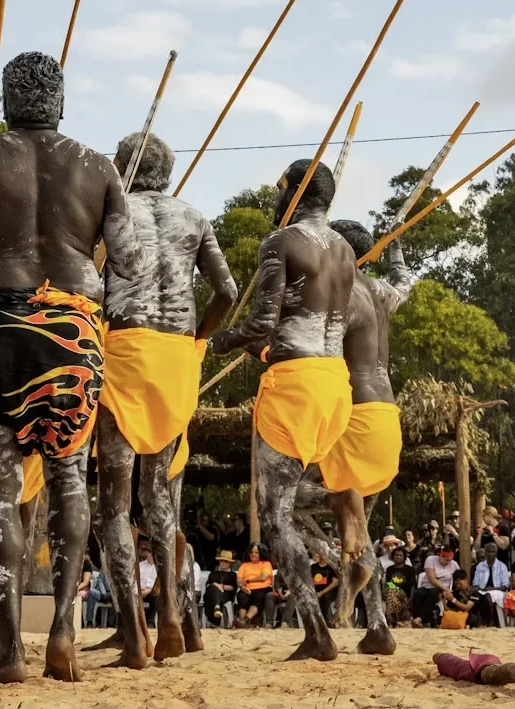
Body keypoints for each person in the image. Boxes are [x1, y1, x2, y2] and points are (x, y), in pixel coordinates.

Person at [0, 52, 137, 682]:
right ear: (61, 102)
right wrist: (93, 307)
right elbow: (130, 263)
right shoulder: (98, 166)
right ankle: (63, 632)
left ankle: (10, 646)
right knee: (70, 478)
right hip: (74, 328)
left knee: (1, 489)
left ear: (7, 103)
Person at [94, 130, 236, 668]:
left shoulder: (113, 211)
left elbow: (87, 281)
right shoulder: (194, 217)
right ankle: (173, 614)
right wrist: (198, 340)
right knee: (161, 496)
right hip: (178, 357)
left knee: (114, 506)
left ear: (122, 168)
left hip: (126, 349)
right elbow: (225, 292)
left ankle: (134, 636)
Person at [205, 157, 355, 661]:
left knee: (274, 517)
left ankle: (315, 632)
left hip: (295, 385)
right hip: (336, 384)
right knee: (291, 498)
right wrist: (256, 348)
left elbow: (262, 324)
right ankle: (335, 496)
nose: (274, 198)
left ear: (294, 192)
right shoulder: (346, 251)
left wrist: (216, 340)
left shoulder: (281, 242)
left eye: (279, 189)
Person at [310, 218, 407, 655]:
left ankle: (337, 560)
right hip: (387, 418)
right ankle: (379, 627)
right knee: (358, 525)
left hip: (354, 414)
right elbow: (404, 280)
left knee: (285, 504)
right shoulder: (382, 292)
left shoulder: (340, 291)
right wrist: (398, 243)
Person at [470, 545, 510, 626]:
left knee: (488, 596)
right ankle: (477, 621)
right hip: (483, 590)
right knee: (475, 595)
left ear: (496, 553)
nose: (490, 554)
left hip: (498, 591)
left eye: (493, 552)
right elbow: (475, 583)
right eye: (488, 552)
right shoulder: (480, 566)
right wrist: (480, 589)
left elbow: (505, 585)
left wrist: (492, 589)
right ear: (485, 553)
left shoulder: (502, 566)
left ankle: (491, 621)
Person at [237, 545, 275, 627]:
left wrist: (248, 580)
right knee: (241, 595)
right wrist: (242, 587)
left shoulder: (266, 564)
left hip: (263, 588)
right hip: (247, 589)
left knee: (259, 596)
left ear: (260, 554)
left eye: (256, 553)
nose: (253, 554)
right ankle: (242, 621)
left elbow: (263, 577)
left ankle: (246, 619)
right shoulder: (244, 565)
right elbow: (239, 580)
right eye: (251, 552)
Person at [203, 551, 240, 629]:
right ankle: (217, 608)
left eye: (225, 561)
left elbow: (233, 587)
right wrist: (217, 585)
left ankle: (217, 611)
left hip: (226, 594)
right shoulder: (213, 573)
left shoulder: (233, 575)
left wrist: (222, 587)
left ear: (230, 563)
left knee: (215, 590)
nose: (223, 563)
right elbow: (208, 584)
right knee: (212, 589)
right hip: (211, 594)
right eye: (221, 561)